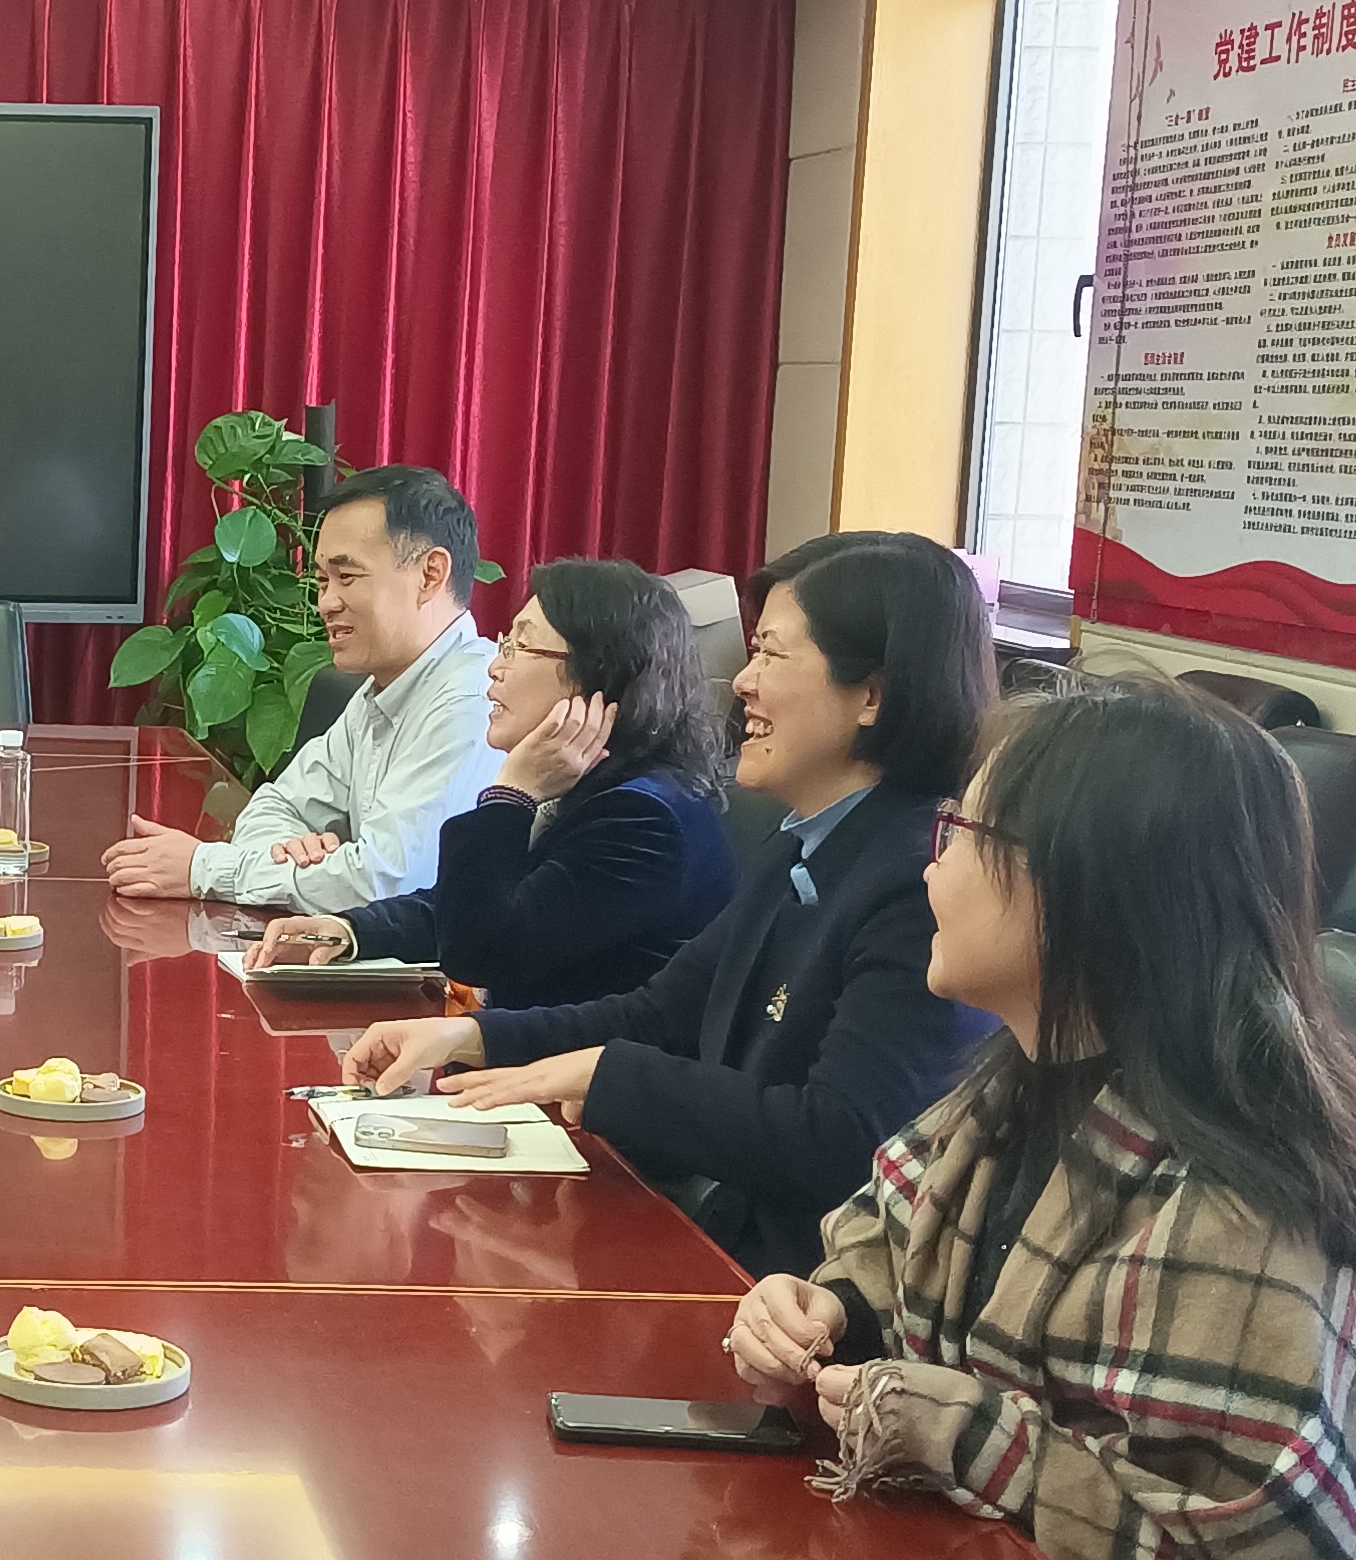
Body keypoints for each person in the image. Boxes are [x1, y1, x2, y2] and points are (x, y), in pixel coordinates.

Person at [725, 675, 1356, 1560]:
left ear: (1086, 888)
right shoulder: (1030, 1076)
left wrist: (959, 1427)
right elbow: (884, 1237)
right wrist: (825, 1310)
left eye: (962, 833)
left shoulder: (1238, 1217)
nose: (931, 866)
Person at [344, 532, 1000, 1276]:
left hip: (805, 1288)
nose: (742, 682)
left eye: (772, 655)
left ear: (871, 696)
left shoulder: (924, 881)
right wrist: (468, 1037)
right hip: (734, 1252)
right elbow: (660, 1013)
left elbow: (845, 1138)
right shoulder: (801, 843)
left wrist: (607, 1077)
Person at [245, 557, 733, 1010]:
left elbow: (479, 949)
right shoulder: (597, 786)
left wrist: (511, 793)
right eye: (505, 644)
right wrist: (348, 931)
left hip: (573, 1073)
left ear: (595, 674)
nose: (495, 667)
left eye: (519, 647)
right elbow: (453, 908)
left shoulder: (641, 819)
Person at [99, 465, 502, 909]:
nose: (326, 603)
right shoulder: (384, 689)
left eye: (347, 577)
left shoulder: (475, 700)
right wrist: (292, 854)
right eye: (323, 580)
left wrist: (204, 869)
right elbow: (275, 806)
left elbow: (385, 882)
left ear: (430, 575)